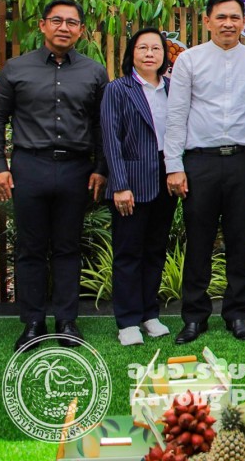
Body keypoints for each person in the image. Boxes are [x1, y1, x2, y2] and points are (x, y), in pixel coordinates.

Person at [0, 0, 107, 352]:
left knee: (68, 247)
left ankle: (67, 322)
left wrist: (101, 168)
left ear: (80, 30)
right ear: (42, 25)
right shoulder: (16, 68)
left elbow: (101, 124)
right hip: (30, 166)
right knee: (30, 248)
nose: (64, 27)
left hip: (76, 169)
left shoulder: (94, 72)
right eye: (57, 20)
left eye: (72, 22)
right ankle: (33, 323)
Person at [166, 0, 245, 344]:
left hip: (243, 160)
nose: (228, 24)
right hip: (200, 162)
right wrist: (174, 165)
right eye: (221, 17)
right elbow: (176, 115)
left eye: (235, 17)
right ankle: (194, 317)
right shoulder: (189, 61)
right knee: (199, 240)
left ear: (244, 22)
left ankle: (237, 314)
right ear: (207, 21)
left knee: (240, 239)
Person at [101, 28, 178, 345]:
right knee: (128, 252)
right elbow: (111, 139)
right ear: (131, 53)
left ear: (164, 55)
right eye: (142, 48)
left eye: (156, 48)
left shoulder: (172, 88)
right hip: (131, 180)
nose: (149, 54)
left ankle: (149, 315)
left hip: (166, 177)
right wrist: (120, 184)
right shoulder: (118, 89)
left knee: (155, 251)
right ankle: (128, 321)